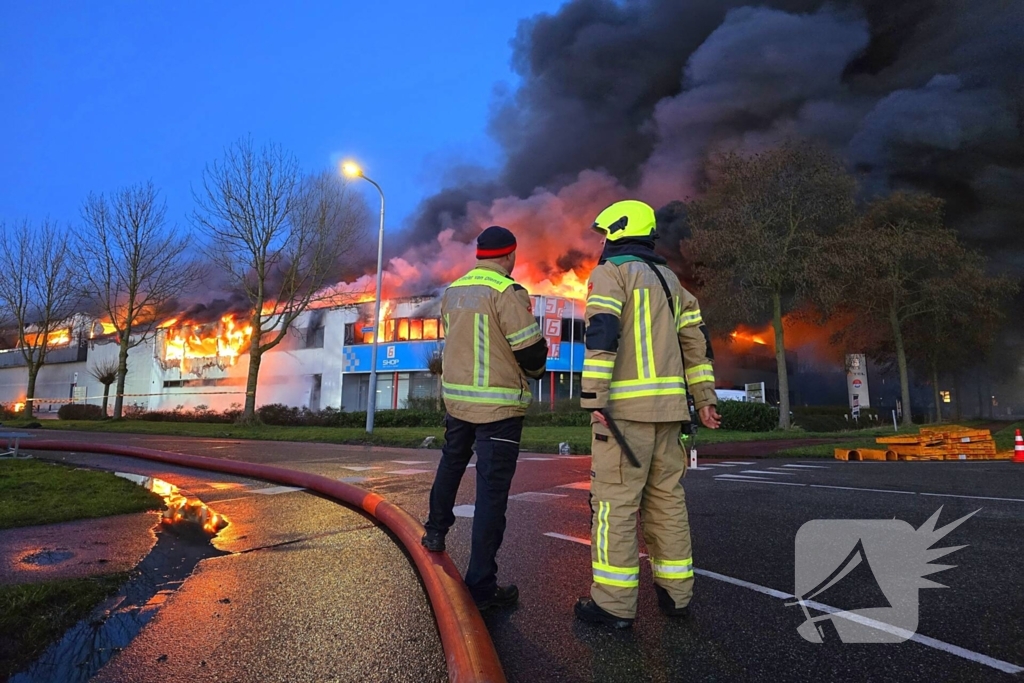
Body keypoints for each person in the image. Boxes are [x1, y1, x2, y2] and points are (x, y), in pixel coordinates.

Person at [574, 199, 722, 629]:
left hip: (624, 416)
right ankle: (676, 596)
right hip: (671, 415)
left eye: (605, 234)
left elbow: (602, 333)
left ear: (620, 232)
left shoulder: (611, 273)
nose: (602, 242)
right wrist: (705, 398)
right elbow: (697, 346)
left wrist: (594, 397)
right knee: (667, 504)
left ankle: (613, 606)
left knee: (615, 508)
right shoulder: (673, 283)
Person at [421, 225, 547, 611]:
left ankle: (434, 532)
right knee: (491, 494)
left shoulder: (454, 291)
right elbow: (531, 354)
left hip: (458, 403)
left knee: (452, 463)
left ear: (479, 255)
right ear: (509, 256)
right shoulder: (507, 292)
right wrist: (538, 363)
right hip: (499, 409)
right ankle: (481, 585)